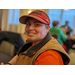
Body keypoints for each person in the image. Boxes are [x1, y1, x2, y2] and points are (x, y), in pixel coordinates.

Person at [1, 10, 70, 65]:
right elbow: (20, 56)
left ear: (47, 28)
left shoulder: (49, 56)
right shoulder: (36, 42)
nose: (30, 28)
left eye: (37, 24)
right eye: (28, 24)